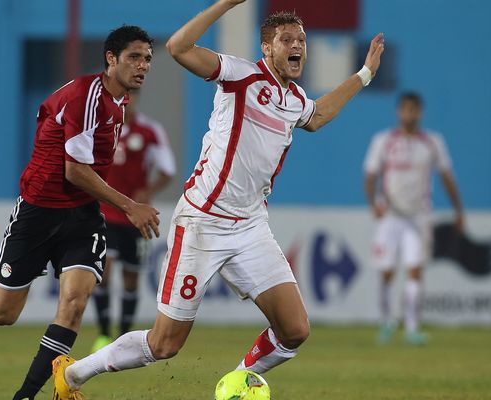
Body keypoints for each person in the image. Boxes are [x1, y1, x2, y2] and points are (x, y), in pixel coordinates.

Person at [51, 1, 384, 398]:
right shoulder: (242, 75)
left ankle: (237, 380)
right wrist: (227, 3)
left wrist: (364, 74)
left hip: (250, 226)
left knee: (295, 330)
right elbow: (178, 47)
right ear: (267, 49)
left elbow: (318, 114)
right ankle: (71, 375)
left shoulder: (294, 99)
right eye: (287, 39)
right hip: (202, 222)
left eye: (302, 40)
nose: (297, 45)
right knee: (164, 345)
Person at [0, 25, 160, 400]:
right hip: (39, 212)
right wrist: (130, 205)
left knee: (73, 305)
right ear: (111, 59)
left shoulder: (118, 102)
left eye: (148, 59)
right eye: (134, 57)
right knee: (2, 314)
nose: (143, 66)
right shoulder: (85, 97)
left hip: (83, 216)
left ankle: (26, 395)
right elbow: (73, 170)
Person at [364, 92, 464, 345]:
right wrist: (373, 203)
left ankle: (411, 327)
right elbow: (370, 175)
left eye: (414, 110)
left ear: (420, 113)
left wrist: (458, 210)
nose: (410, 114)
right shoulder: (384, 141)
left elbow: (446, 176)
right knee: (386, 271)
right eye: (406, 109)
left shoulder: (432, 142)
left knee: (415, 270)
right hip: (390, 216)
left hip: (419, 216)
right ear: (399, 112)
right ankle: (387, 322)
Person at [91, 89, 176, 351]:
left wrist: (148, 191)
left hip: (136, 217)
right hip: (105, 212)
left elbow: (168, 170)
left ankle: (122, 339)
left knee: (131, 277)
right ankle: (104, 334)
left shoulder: (150, 131)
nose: (127, 103)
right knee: (104, 272)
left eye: (132, 98)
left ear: (137, 99)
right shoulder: (100, 128)